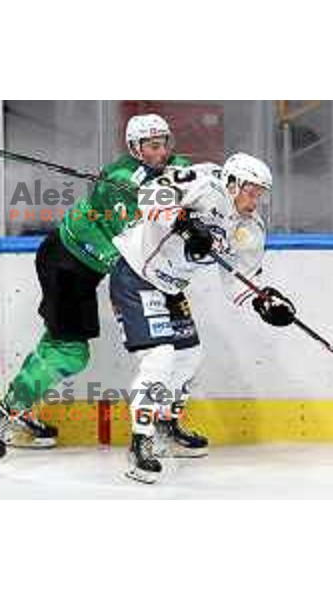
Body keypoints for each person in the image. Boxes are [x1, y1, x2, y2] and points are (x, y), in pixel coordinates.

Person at [0, 114, 191, 463]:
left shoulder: (166, 164)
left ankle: (20, 408)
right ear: (134, 148)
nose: (161, 152)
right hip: (67, 264)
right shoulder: (118, 181)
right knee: (69, 352)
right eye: (152, 146)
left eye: (164, 143)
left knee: (56, 343)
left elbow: (190, 171)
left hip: (83, 269)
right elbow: (136, 237)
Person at [109, 153, 296, 483]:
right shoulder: (205, 182)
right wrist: (181, 221)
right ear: (233, 182)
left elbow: (239, 278)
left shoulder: (249, 228)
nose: (255, 200)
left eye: (260, 193)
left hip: (171, 287)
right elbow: (149, 195)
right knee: (160, 357)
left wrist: (263, 301)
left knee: (188, 356)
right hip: (137, 273)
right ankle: (141, 442)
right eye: (251, 191)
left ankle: (165, 422)